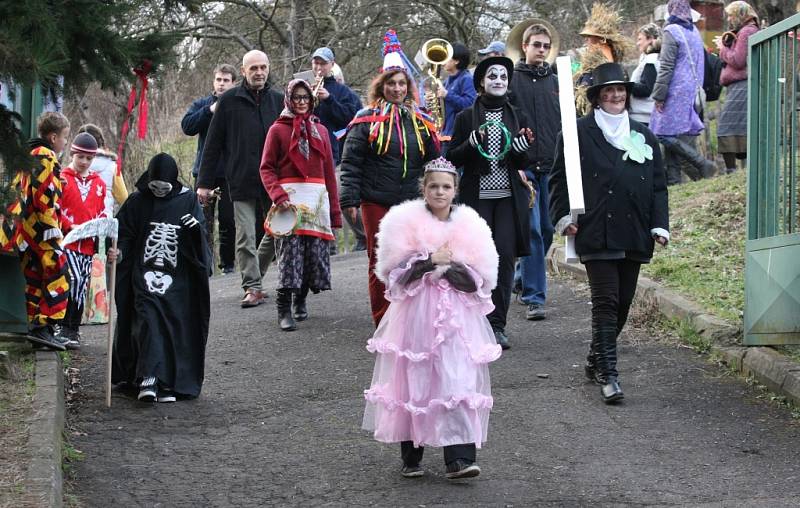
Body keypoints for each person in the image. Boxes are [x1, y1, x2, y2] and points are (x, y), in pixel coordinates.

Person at [362, 157, 501, 480]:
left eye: (446, 187)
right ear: (423, 189)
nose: (440, 192)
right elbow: (394, 277)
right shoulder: (403, 222)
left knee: (457, 377)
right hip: (417, 313)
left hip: (457, 318)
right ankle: (412, 453)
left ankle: (460, 457)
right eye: (434, 186)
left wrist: (451, 268)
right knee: (417, 376)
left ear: (455, 190)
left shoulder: (471, 224)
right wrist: (427, 262)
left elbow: (481, 281)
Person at [549, 63, 669, 403]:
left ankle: (595, 356)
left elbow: (659, 187)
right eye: (609, 91)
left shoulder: (645, 135)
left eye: (621, 90)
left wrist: (659, 225)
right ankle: (610, 374)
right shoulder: (577, 133)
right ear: (597, 98)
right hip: (595, 227)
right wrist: (562, 217)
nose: (616, 95)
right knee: (606, 301)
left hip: (634, 229)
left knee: (624, 303)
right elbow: (558, 180)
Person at [339, 30, 441, 327]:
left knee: (414, 259)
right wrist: (349, 199)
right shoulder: (366, 119)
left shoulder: (420, 120)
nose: (397, 89)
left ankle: (409, 318)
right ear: (381, 86)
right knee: (380, 262)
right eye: (391, 84)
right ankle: (384, 322)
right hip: (375, 202)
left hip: (410, 201)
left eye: (402, 84)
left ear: (408, 87)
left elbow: (433, 161)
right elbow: (351, 162)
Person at [447, 56, 534, 350]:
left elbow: (525, 160)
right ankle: (476, 321)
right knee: (475, 260)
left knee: (505, 260)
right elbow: (451, 157)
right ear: (481, 82)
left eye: (503, 77)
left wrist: (522, 150)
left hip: (509, 200)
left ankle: (498, 324)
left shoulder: (518, 115)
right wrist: (470, 144)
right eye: (492, 76)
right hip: (477, 199)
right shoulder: (465, 117)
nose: (499, 80)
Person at [112, 153, 211, 403]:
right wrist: (119, 250)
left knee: (173, 322)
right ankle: (149, 377)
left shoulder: (187, 200)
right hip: (142, 273)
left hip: (177, 277)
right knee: (149, 315)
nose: (158, 192)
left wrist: (194, 231)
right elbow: (122, 232)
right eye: (154, 187)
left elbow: (201, 242)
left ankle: (167, 382)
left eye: (164, 187)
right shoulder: (137, 201)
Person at [196, 50, 283, 308]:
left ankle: (256, 275)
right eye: (253, 68)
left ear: (268, 69)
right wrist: (204, 182)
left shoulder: (278, 101)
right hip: (240, 178)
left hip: (273, 180)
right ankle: (253, 287)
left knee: (278, 231)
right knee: (245, 236)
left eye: (262, 67)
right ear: (243, 71)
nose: (258, 72)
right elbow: (212, 143)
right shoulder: (229, 100)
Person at [259, 79, 342, 331]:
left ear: (312, 99)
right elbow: (266, 168)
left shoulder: (322, 132)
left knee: (311, 256)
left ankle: (301, 299)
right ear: (289, 99)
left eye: (306, 97)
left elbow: (329, 173)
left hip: (316, 201)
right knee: (289, 255)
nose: (302, 102)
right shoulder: (277, 130)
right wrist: (279, 196)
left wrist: (335, 212)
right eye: (297, 97)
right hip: (289, 202)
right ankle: (283, 307)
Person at [509, 22, 560, 321]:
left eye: (545, 45)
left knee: (548, 230)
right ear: (525, 46)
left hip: (552, 167)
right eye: (536, 44)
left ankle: (521, 275)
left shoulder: (556, 81)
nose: (541, 50)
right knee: (532, 231)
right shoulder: (513, 80)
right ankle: (535, 297)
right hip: (524, 167)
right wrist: (514, 162)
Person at [7, 112, 72, 350]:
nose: (66, 142)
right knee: (60, 275)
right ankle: (45, 326)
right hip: (40, 229)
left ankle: (37, 328)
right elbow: (43, 197)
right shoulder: (45, 156)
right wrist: (53, 229)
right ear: (53, 137)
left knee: (35, 278)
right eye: (65, 137)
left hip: (25, 230)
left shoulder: (30, 154)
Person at [650, 0, 716, 186]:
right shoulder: (693, 31)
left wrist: (659, 96)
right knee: (673, 133)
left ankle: (702, 163)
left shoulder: (672, 31)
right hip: (693, 90)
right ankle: (673, 181)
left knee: (661, 134)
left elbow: (666, 66)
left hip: (675, 91)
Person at [182, 64, 238, 274]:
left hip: (229, 173)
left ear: (234, 83)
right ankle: (204, 265)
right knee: (202, 221)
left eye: (226, 80)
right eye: (219, 80)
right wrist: (209, 110)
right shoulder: (202, 104)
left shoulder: (238, 104)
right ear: (214, 81)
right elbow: (187, 126)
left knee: (228, 221)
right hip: (204, 172)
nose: (222, 84)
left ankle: (228, 265)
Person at [307, 47, 363, 254]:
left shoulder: (343, 92)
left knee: (339, 196)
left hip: (337, 152)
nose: (319, 67)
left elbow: (353, 119)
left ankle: (363, 237)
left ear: (331, 65)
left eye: (323, 63)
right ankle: (326, 241)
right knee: (316, 198)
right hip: (311, 152)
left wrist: (329, 99)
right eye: (316, 63)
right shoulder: (304, 88)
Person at [76, 123, 128, 325]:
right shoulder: (112, 166)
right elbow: (123, 197)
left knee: (79, 267)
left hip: (79, 224)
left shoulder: (74, 165)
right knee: (98, 267)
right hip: (103, 222)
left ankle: (78, 312)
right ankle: (97, 312)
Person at [59, 133, 107, 349]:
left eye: (89, 158)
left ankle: (74, 329)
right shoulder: (63, 178)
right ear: (73, 154)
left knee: (82, 286)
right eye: (81, 157)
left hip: (87, 245)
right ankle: (63, 326)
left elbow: (101, 211)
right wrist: (69, 225)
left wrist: (100, 226)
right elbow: (56, 209)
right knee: (72, 280)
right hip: (67, 241)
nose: (84, 162)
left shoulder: (98, 184)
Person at [715, 1, 759, 175]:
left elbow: (738, 61)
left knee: (726, 126)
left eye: (732, 15)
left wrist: (722, 49)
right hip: (739, 86)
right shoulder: (746, 30)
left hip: (742, 85)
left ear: (741, 14)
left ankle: (731, 171)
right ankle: (737, 171)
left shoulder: (747, 31)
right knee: (738, 126)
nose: (730, 19)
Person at [574, 2, 634, 115]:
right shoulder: (592, 65)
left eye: (589, 38)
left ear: (601, 40)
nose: (586, 41)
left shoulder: (604, 66)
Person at [435, 42, 476, 151]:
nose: (443, 61)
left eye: (447, 57)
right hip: (445, 135)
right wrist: (434, 101)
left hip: (457, 138)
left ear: (457, 61)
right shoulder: (447, 81)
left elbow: (470, 105)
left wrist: (447, 95)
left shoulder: (467, 79)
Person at [629, 23, 661, 126]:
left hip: (643, 116)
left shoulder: (651, 61)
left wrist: (626, 85)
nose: (637, 43)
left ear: (650, 39)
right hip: (648, 115)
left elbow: (646, 89)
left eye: (640, 39)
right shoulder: (658, 58)